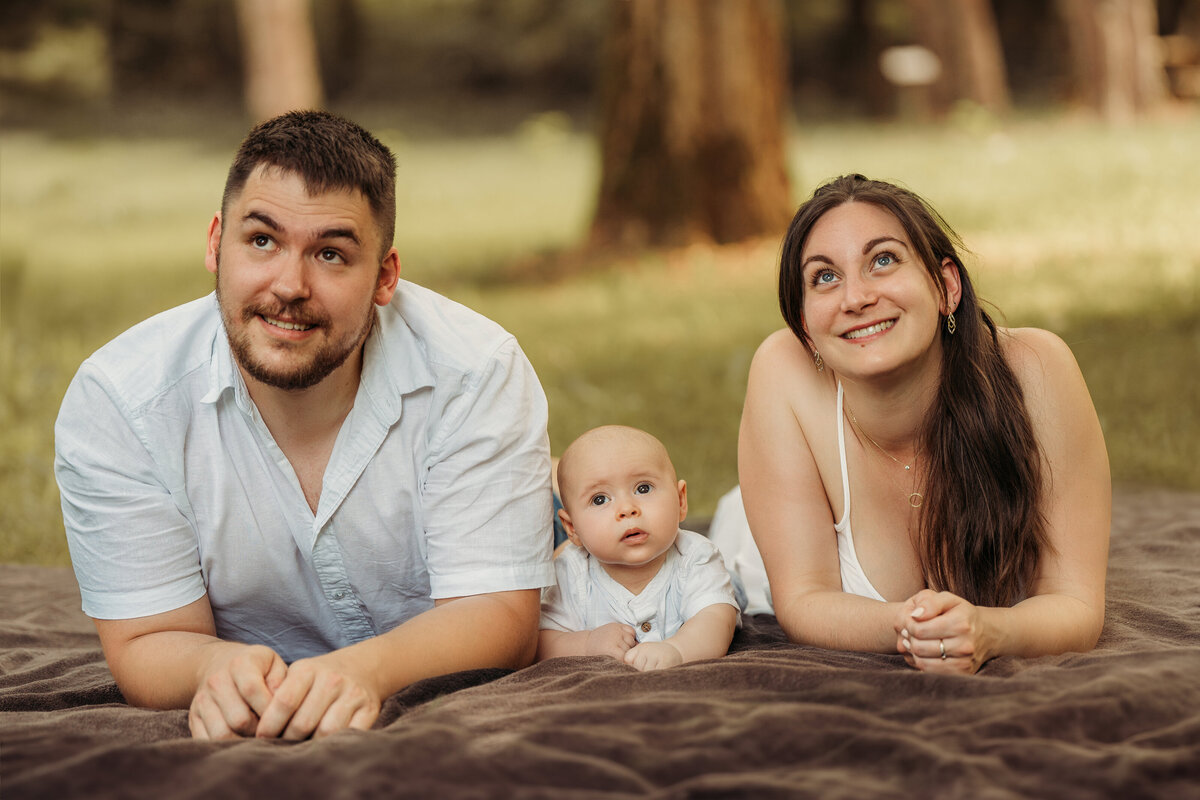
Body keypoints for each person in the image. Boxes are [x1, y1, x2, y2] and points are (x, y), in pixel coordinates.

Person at [53, 110, 555, 740]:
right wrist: (219, 668)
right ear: (215, 243)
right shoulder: (120, 403)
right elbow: (148, 640)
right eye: (261, 241)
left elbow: (501, 617)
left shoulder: (477, 369)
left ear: (385, 276)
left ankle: (546, 495)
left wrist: (362, 673)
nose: (290, 286)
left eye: (331, 254)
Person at [727, 174, 1110, 674]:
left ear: (946, 286)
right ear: (805, 327)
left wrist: (990, 631)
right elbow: (802, 598)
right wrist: (920, 629)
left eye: (882, 260)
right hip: (768, 525)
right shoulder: (784, 369)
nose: (856, 297)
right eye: (825, 277)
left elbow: (1076, 604)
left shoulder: (1037, 371)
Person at [537, 425, 740, 671]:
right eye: (600, 499)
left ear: (680, 501)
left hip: (718, 587)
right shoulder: (570, 572)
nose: (627, 508)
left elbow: (716, 620)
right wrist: (587, 644)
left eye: (643, 488)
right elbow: (541, 641)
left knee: (732, 592)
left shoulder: (695, 556)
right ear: (572, 529)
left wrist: (677, 650)